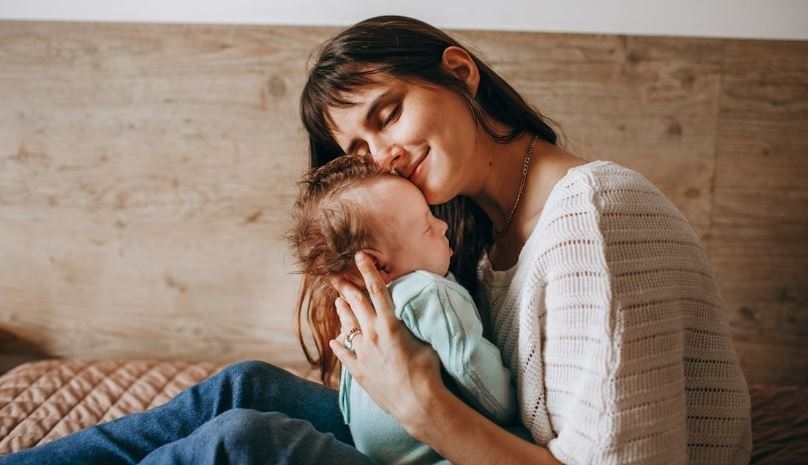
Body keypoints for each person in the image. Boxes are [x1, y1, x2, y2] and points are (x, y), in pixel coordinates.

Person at [0, 14, 752, 465]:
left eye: (387, 114)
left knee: (243, 440)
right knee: (243, 388)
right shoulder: (480, 232)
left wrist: (423, 404)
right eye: (359, 150)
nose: (382, 157)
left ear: (460, 73)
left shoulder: (593, 214)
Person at [287, 153, 522, 464]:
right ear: (377, 264)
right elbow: (472, 367)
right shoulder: (428, 292)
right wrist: (512, 411)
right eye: (427, 225)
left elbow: (350, 391)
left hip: (367, 448)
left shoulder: (361, 310)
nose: (442, 225)